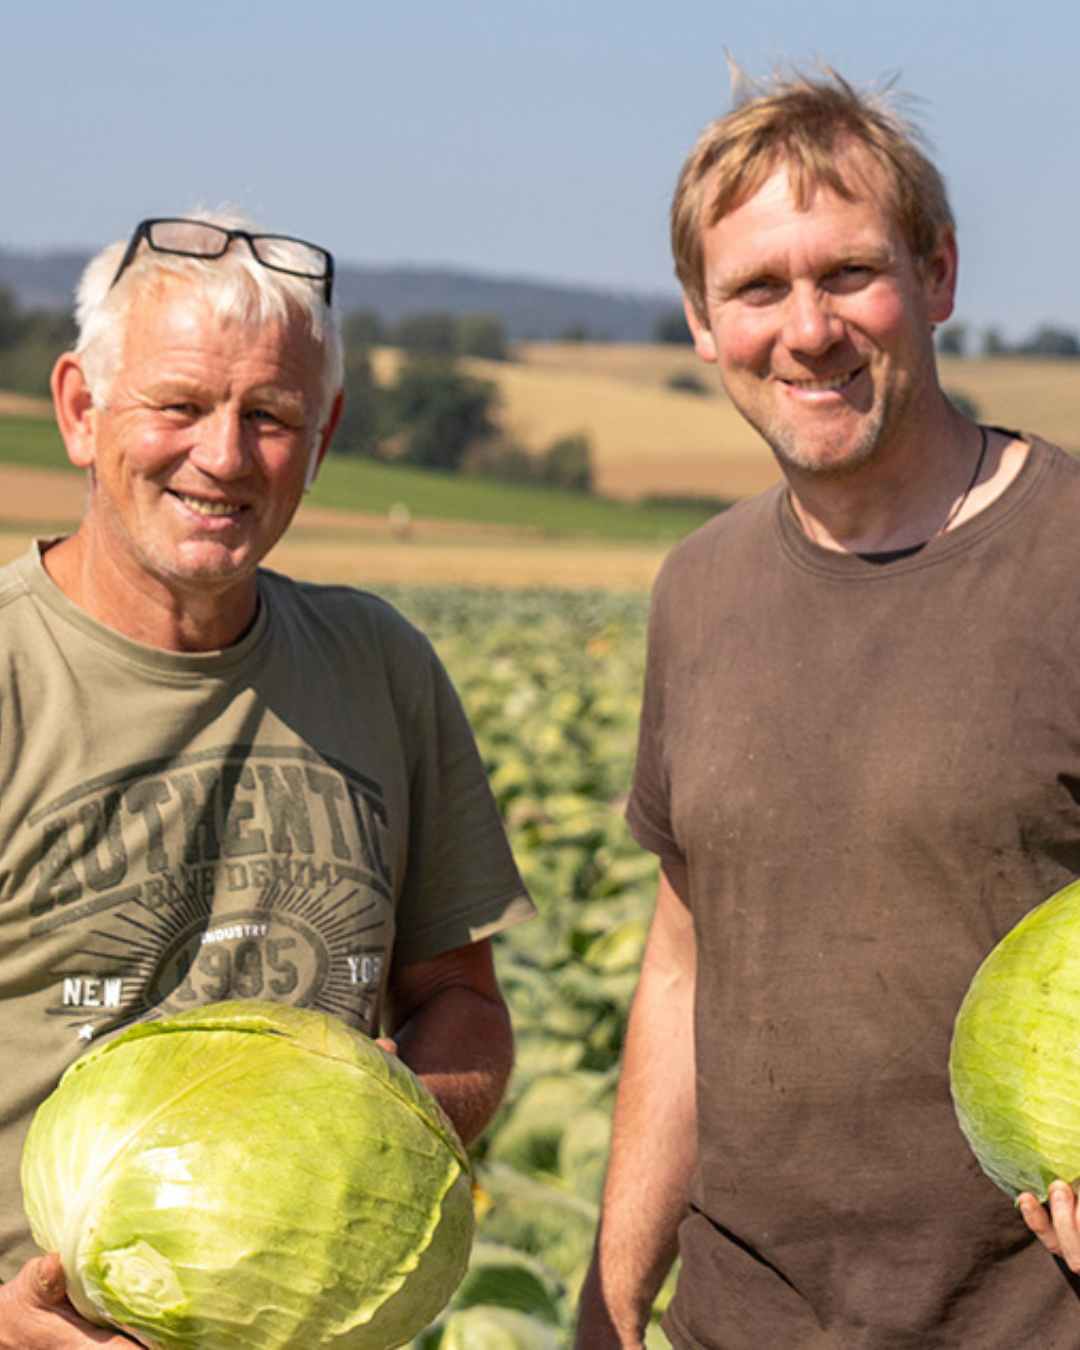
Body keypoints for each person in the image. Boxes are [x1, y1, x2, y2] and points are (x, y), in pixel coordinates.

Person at [575, 66, 1080, 1348]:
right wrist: (615, 1279)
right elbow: (685, 956)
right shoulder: (702, 587)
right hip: (745, 1320)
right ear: (701, 322)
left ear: (940, 276)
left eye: (849, 273)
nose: (807, 330)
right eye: (756, 288)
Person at [0, 213, 533, 1345]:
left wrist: (364, 1138)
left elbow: (463, 1004)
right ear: (81, 409)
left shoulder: (379, 666)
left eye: (271, 417)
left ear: (325, 432)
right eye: (179, 405)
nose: (226, 456)